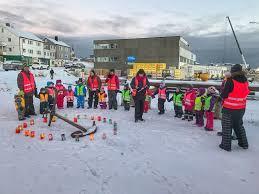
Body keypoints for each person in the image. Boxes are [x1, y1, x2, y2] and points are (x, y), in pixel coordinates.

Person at [219, 64, 250, 151]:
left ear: (232, 72)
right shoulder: (246, 81)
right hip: (241, 109)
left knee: (226, 127)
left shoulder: (230, 81)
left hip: (229, 108)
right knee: (239, 126)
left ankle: (226, 146)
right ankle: (243, 144)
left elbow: (224, 95)